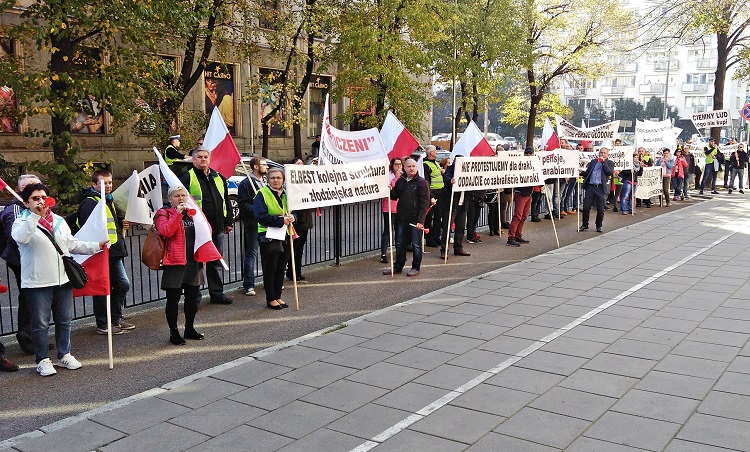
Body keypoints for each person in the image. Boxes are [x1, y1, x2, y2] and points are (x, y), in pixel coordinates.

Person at [12, 183, 107, 376]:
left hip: (62, 279)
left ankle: (64, 354)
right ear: (26, 202)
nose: (41, 201)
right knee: (40, 324)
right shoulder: (21, 221)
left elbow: (71, 244)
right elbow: (21, 238)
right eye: (35, 198)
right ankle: (42, 359)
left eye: (43, 197)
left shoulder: (58, 221)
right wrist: (34, 218)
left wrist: (96, 245)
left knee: (64, 320)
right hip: (37, 282)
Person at [78, 170, 133, 335]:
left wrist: (121, 225)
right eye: (103, 183)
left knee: (120, 285)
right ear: (94, 184)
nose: (108, 186)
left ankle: (115, 318)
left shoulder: (107, 200)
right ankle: (103, 324)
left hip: (114, 250)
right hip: (103, 251)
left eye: (109, 182)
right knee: (104, 287)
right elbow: (89, 227)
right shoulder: (90, 203)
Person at [179, 147, 233, 305]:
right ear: (193, 160)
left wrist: (228, 221)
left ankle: (217, 294)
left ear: (210, 159)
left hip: (217, 227)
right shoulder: (187, 178)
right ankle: (194, 298)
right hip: (196, 228)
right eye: (199, 157)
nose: (203, 159)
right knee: (195, 264)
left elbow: (226, 200)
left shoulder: (218, 177)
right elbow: (180, 201)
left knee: (215, 261)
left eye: (205, 157)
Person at [154, 186, 205, 345]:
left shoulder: (193, 213)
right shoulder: (164, 213)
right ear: (170, 199)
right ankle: (174, 332)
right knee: (173, 299)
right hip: (175, 262)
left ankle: (189, 328)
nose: (181, 198)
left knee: (192, 298)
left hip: (193, 261)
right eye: (177, 196)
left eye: (184, 195)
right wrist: (177, 213)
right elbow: (166, 231)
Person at [1, 174, 42, 354]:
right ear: (21, 190)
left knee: (36, 297)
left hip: (36, 258)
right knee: (28, 297)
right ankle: (26, 336)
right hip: (22, 260)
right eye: (32, 187)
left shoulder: (37, 208)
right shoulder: (14, 210)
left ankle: (35, 336)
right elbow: (15, 237)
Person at [254, 168, 295, 309]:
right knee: (270, 269)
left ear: (283, 180)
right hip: (268, 236)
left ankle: (278, 296)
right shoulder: (261, 194)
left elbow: (294, 210)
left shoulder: (286, 194)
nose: (276, 180)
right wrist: (280, 220)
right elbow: (260, 216)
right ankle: (270, 298)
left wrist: (292, 217)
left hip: (285, 235)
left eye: (278, 178)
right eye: (272, 178)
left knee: (281, 268)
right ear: (268, 180)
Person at [385, 158, 430, 276]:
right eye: (409, 166)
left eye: (414, 166)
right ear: (404, 168)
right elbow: (395, 196)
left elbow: (424, 203)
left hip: (415, 219)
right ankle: (398, 267)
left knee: (416, 244)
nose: (412, 168)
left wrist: (421, 220)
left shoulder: (422, 182)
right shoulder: (402, 181)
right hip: (402, 218)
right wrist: (389, 190)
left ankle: (416, 267)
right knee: (400, 243)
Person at [237, 156, 267, 296]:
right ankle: (249, 284)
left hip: (266, 223)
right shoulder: (246, 183)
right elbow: (242, 204)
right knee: (252, 253)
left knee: (268, 252)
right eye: (264, 164)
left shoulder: (266, 181)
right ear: (256, 166)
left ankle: (269, 281)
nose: (267, 167)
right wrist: (258, 210)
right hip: (253, 224)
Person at [286, 158, 315, 281]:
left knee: (300, 248)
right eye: (297, 164)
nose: (300, 166)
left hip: (304, 220)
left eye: (302, 164)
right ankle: (292, 271)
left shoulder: (306, 182)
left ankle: (296, 271)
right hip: (295, 220)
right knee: (294, 248)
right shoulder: (289, 182)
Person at [440, 160, 471, 259]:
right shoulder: (450, 170)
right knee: (447, 228)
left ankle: (458, 248)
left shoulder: (467, 171)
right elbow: (446, 179)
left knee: (461, 227)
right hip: (451, 204)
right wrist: (450, 181)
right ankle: (444, 250)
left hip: (462, 204)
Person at [579, 147, 615, 233]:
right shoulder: (593, 161)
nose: (602, 154)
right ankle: (585, 224)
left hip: (601, 188)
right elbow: (588, 172)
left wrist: (603, 163)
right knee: (586, 207)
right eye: (601, 152)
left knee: (600, 208)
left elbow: (609, 172)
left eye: (604, 153)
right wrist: (581, 172)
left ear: (607, 154)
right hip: (591, 186)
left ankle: (599, 226)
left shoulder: (610, 163)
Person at [507, 147, 535, 246]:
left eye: (530, 153)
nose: (528, 155)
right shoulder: (519, 164)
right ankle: (511, 238)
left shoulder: (534, 165)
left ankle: (518, 235)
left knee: (523, 216)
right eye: (526, 153)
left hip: (529, 193)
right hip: (521, 193)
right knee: (517, 216)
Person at [380, 157, 402, 263]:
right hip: (389, 207)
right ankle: (383, 253)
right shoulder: (388, 176)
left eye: (400, 164)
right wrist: (396, 178)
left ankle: (399, 253)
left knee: (399, 231)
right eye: (396, 164)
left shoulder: (404, 176)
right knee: (388, 231)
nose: (398, 166)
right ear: (392, 165)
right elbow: (391, 188)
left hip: (400, 208)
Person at [422, 145, 444, 247]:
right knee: (429, 217)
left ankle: (436, 237)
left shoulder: (435, 162)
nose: (436, 152)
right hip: (432, 193)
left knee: (438, 216)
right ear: (431, 153)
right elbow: (427, 181)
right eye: (435, 151)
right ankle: (429, 239)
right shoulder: (425, 164)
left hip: (440, 192)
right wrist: (430, 196)